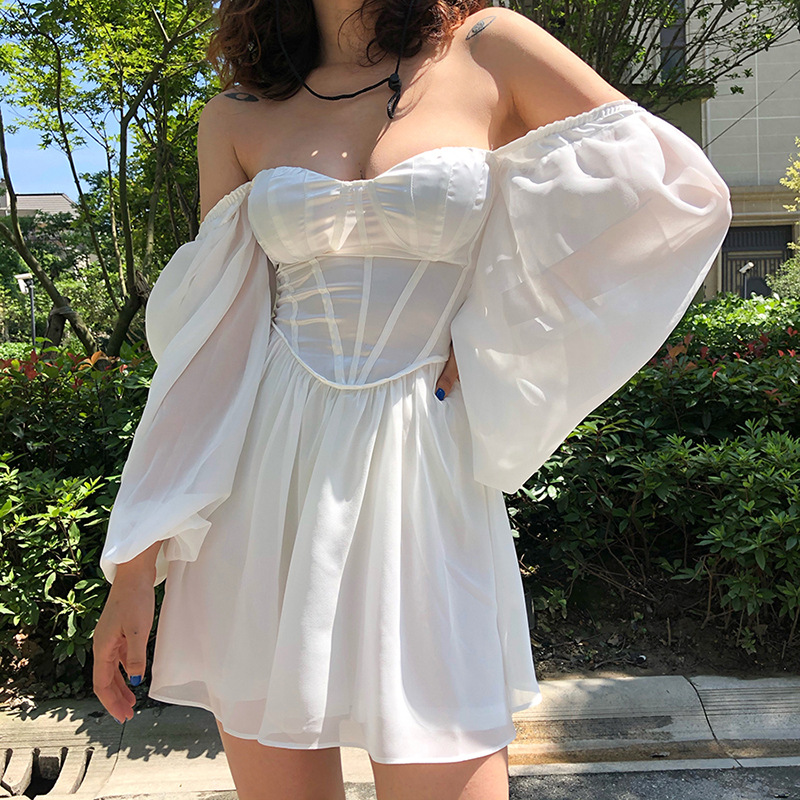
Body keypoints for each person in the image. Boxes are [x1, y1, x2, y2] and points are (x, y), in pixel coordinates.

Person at [91, 0, 732, 798]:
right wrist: (134, 569)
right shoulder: (236, 113)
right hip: (266, 494)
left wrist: (499, 322)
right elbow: (212, 347)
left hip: (423, 478)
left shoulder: (488, 47)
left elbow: (672, 188)